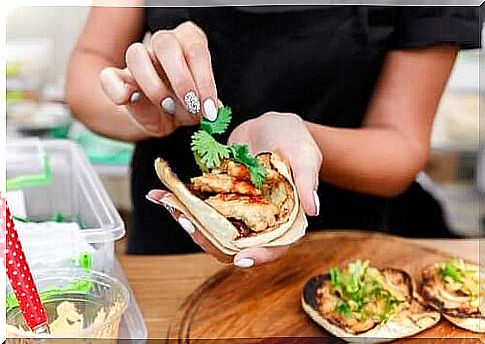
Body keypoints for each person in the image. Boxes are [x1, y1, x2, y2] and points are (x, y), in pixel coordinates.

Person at [66, 2, 481, 267]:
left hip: (340, 251)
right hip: (171, 252)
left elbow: (401, 146)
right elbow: (86, 74)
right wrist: (153, 112)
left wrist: (299, 139)